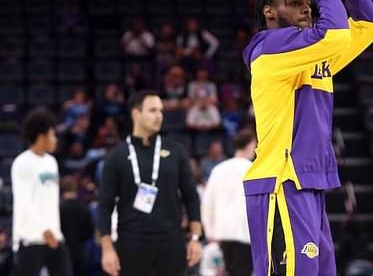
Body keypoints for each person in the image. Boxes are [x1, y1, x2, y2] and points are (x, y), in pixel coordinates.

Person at [241, 0, 373, 275]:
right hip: (281, 182)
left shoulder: (313, 56)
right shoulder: (269, 49)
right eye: (295, 0)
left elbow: (370, 25)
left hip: (306, 181)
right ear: (270, 13)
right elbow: (335, 34)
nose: (307, 6)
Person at [98, 90, 203, 276]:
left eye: (161, 111)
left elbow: (191, 197)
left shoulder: (176, 151)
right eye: (153, 110)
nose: (159, 116)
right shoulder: (116, 156)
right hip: (131, 243)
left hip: (171, 242)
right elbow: (105, 206)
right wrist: (107, 249)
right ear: (136, 114)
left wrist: (195, 238)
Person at [12, 110, 73, 276]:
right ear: (41, 136)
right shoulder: (22, 162)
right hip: (31, 237)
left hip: (55, 236)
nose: (55, 140)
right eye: (53, 135)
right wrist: (44, 229)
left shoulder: (51, 162)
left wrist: (53, 230)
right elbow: (24, 200)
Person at [201, 130, 257, 276]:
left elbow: (207, 203)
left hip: (222, 232)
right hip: (245, 233)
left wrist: (209, 231)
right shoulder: (253, 170)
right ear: (250, 146)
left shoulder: (219, 169)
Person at [60, 176, 94, 276]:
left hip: (62, 254)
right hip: (79, 252)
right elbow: (89, 232)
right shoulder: (83, 209)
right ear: (76, 189)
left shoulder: (57, 209)